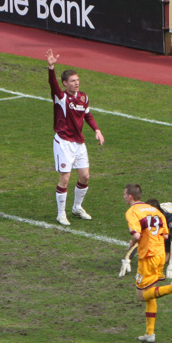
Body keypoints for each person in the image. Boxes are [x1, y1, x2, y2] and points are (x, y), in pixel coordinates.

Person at [119, 184, 172, 343]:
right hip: (159, 255)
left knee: (141, 295)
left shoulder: (132, 212)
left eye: (124, 194)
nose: (123, 196)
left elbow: (136, 236)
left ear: (130, 197)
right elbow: (165, 236)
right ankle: (150, 333)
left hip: (147, 257)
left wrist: (129, 252)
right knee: (151, 293)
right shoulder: (156, 211)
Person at [46, 50, 104, 226]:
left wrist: (96, 130)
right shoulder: (61, 97)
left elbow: (87, 115)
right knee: (65, 178)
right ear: (65, 83)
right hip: (64, 142)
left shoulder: (83, 97)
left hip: (79, 143)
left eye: (77, 80)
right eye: (72, 81)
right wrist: (51, 67)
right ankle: (61, 213)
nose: (76, 83)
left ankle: (77, 207)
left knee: (85, 176)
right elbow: (52, 84)